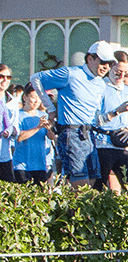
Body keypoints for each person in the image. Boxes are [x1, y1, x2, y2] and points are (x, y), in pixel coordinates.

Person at [32, 41, 117, 188]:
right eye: (103, 62)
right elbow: (36, 78)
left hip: (90, 134)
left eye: (109, 64)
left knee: (92, 183)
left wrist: (115, 115)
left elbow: (95, 115)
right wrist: (50, 108)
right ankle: (69, 211)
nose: (106, 67)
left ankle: (79, 211)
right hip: (71, 132)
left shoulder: (101, 84)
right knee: (80, 183)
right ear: (90, 58)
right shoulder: (70, 74)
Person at [95, 50, 128, 193]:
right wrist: (116, 112)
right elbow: (95, 120)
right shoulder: (100, 87)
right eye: (118, 72)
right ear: (110, 67)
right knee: (100, 187)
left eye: (125, 73)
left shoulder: (127, 90)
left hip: (122, 145)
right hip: (103, 143)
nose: (121, 76)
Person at [13, 85, 54, 184]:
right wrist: (38, 127)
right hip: (22, 165)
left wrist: (49, 129)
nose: (36, 101)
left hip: (40, 165)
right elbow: (19, 137)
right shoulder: (18, 115)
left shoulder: (43, 116)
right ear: (25, 97)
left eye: (39, 98)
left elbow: (51, 137)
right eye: (33, 97)